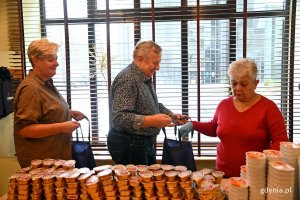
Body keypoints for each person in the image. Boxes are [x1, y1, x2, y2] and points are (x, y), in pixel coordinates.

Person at [179, 58, 289, 177]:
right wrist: (193, 124)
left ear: (255, 83)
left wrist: (265, 163)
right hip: (223, 174)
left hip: (255, 176)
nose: (237, 89)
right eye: (234, 83)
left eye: (243, 84)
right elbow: (213, 128)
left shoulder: (268, 108)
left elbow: (281, 141)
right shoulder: (224, 105)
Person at [108, 40, 188, 165]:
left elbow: (152, 104)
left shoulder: (142, 76)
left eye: (159, 62)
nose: (158, 67)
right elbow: (119, 118)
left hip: (141, 143)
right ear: (140, 59)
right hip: (130, 144)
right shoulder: (128, 79)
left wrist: (171, 116)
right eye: (155, 63)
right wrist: (152, 121)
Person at [14, 38, 85, 168]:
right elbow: (25, 130)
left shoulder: (46, 83)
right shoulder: (31, 88)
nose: (57, 63)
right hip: (42, 167)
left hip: (56, 160)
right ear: (35, 60)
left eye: (56, 59)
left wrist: (66, 112)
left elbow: (44, 111)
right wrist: (62, 127)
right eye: (50, 60)